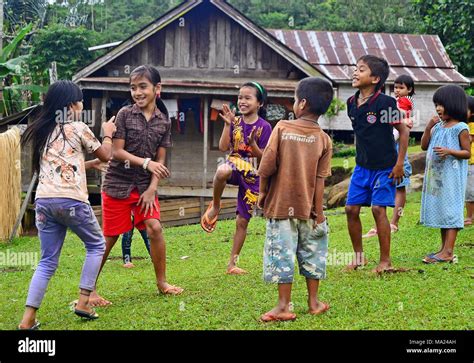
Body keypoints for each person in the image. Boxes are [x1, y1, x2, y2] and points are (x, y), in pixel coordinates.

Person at [18, 80, 116, 329]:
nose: (82, 105)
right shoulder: (78, 127)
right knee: (96, 244)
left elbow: (60, 169)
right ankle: (84, 302)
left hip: (44, 201)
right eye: (80, 101)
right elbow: (106, 154)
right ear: (71, 105)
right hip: (71, 201)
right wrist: (107, 132)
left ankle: (27, 320)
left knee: (47, 261)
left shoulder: (43, 131)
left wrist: (90, 165)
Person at [89, 65, 183, 307]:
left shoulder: (164, 121)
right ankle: (89, 290)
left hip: (144, 187)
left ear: (157, 89)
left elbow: (161, 160)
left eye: (143, 87)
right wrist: (146, 163)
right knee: (108, 239)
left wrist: (153, 188)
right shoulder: (124, 114)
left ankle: (162, 283)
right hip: (117, 184)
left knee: (155, 228)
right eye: (133, 88)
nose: (138, 92)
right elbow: (117, 152)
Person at [257, 77, 333, 322]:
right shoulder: (324, 139)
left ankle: (283, 305)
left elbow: (266, 167)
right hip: (309, 209)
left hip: (281, 208)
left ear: (301, 103)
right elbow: (321, 179)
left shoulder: (281, 128)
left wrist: (262, 193)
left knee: (282, 254)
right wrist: (318, 212)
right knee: (313, 254)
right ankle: (314, 302)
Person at [344, 55, 409, 273]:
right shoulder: (351, 103)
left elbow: (403, 131)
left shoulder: (385, 103)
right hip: (362, 167)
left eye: (361, 70)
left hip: (385, 168)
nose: (355, 73)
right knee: (351, 209)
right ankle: (359, 257)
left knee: (378, 209)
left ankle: (385, 261)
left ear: (375, 79)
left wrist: (399, 164)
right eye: (355, 69)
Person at [200, 82, 272, 275]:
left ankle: (232, 264)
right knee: (222, 170)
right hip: (235, 164)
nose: (242, 101)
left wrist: (254, 145)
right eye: (240, 97)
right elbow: (224, 148)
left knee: (242, 221)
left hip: (253, 175)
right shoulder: (235, 122)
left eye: (248, 98)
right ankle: (215, 205)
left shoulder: (265, 127)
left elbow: (264, 156)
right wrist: (227, 124)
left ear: (259, 103)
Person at [420, 85, 470, 263]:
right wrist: (428, 128)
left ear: (453, 104)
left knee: (450, 210)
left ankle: (448, 252)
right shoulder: (439, 127)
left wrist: (449, 151)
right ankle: (443, 249)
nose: (438, 108)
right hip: (437, 177)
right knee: (442, 211)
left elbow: (467, 153)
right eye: (436, 105)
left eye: (441, 104)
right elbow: (424, 146)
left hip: (452, 177)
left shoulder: (461, 128)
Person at [363, 74, 415, 237]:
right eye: (396, 88)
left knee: (399, 185)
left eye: (401, 88)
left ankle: (393, 223)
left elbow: (398, 120)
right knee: (386, 183)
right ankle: (385, 224)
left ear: (409, 90)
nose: (397, 91)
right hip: (389, 145)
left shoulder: (404, 102)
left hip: (397, 147)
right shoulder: (396, 103)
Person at [464, 96, 474, 226]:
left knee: (470, 191)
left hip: (472, 162)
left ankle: (470, 217)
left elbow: (469, 140)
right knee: (467, 190)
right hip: (468, 162)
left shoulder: (471, 125)